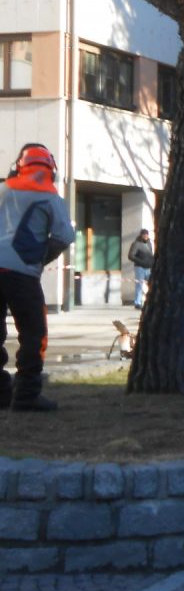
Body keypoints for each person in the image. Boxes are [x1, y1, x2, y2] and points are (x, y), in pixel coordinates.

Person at [0, 144, 74, 412]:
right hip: (22, 274)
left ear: (18, 167)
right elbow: (64, 237)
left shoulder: (3, 190)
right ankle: (26, 395)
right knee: (33, 333)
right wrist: (40, 259)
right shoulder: (52, 199)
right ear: (50, 170)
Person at [128, 228, 154, 309]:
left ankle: (150, 301)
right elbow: (131, 255)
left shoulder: (149, 243)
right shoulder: (136, 244)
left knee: (151, 284)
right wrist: (141, 261)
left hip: (149, 268)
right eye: (144, 234)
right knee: (139, 285)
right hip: (140, 267)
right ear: (141, 235)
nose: (146, 236)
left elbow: (151, 254)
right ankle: (137, 302)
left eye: (147, 234)